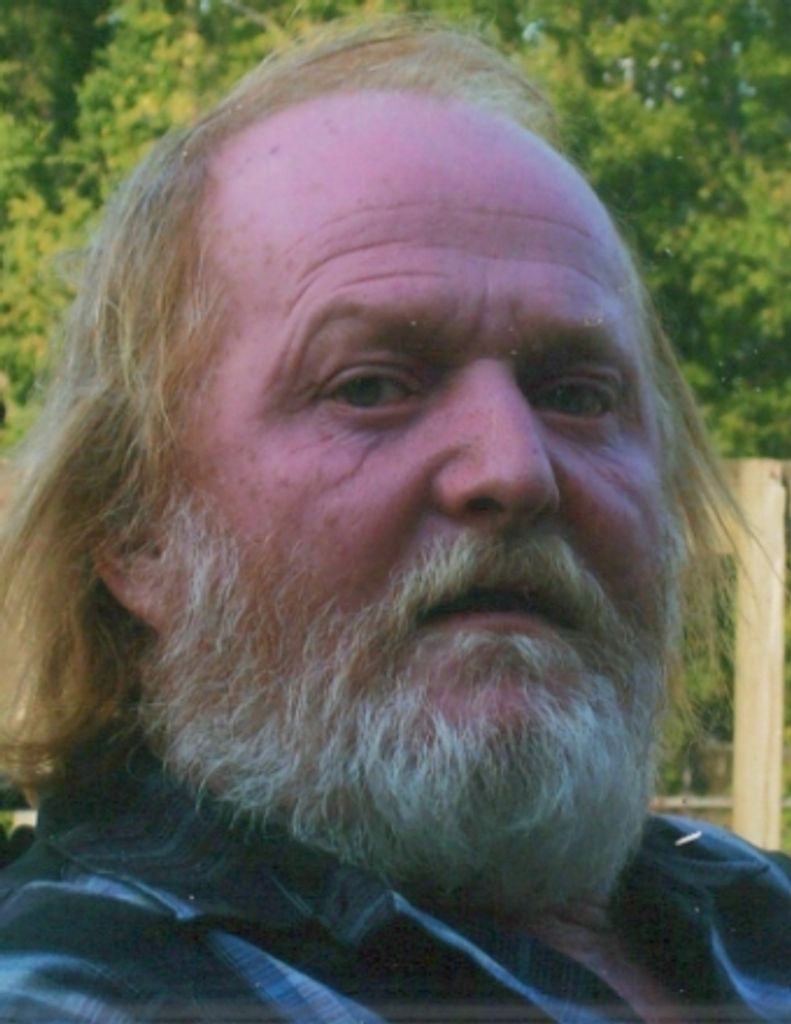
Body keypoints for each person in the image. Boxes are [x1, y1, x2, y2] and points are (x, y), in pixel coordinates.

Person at [0, 18, 788, 1023]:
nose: (514, 469)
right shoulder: (83, 993)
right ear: (133, 526)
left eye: (577, 395)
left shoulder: (754, 910)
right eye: (371, 386)